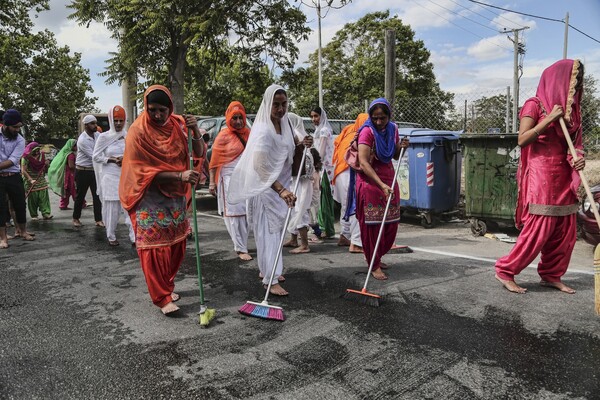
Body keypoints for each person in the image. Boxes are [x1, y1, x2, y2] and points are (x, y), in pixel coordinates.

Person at [495, 59, 585, 295]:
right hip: (541, 173)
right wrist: (549, 119)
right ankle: (505, 270)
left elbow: (576, 145)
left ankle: (551, 275)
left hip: (564, 174)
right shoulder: (534, 105)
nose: (574, 90)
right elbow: (522, 139)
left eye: (577, 85)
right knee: (539, 229)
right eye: (572, 83)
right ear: (559, 81)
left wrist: (578, 159)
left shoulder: (572, 113)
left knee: (565, 231)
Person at [120, 85, 205, 315]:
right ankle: (162, 297)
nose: (157, 115)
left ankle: (167, 286)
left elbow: (198, 152)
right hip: (148, 194)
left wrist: (195, 130)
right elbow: (142, 171)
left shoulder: (178, 124)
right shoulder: (138, 132)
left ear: (170, 109)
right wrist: (180, 175)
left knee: (175, 243)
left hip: (175, 193)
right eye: (152, 110)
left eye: (162, 110)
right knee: (154, 246)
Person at [228, 84, 311, 296]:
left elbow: (292, 149)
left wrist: (303, 144)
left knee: (275, 233)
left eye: (284, 104)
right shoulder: (264, 131)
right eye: (276, 105)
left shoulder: (286, 126)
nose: (281, 109)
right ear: (268, 105)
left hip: (282, 188)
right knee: (269, 235)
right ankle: (270, 280)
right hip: (267, 190)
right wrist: (280, 190)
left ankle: (269, 270)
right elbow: (259, 165)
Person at [352, 99, 408, 280]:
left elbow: (395, 154)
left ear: (389, 116)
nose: (378, 122)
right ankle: (373, 264)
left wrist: (402, 147)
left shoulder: (393, 129)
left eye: (382, 118)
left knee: (390, 225)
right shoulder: (367, 132)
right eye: (375, 118)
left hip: (389, 181)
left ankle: (378, 255)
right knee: (373, 227)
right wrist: (380, 185)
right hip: (371, 183)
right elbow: (363, 163)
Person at [208, 101, 252, 260]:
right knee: (234, 214)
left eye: (241, 117)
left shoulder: (249, 133)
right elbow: (214, 162)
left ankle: (243, 244)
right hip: (228, 179)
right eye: (235, 118)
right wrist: (212, 182)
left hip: (246, 179)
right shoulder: (223, 136)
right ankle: (240, 247)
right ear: (228, 118)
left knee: (247, 213)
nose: (239, 121)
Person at [93, 105, 135, 246]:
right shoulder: (104, 137)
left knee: (129, 208)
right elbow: (96, 156)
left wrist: (125, 159)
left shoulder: (127, 136)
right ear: (111, 120)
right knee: (112, 208)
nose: (118, 123)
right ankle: (111, 236)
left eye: (121, 120)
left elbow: (134, 155)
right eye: (115, 120)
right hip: (110, 176)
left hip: (126, 176)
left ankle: (134, 237)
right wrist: (111, 159)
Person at [332, 113, 368, 253]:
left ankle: (345, 235)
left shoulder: (348, 129)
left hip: (340, 170)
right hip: (349, 172)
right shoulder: (362, 134)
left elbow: (336, 145)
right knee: (356, 205)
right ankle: (356, 242)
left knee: (346, 206)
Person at [0, 109, 35, 248]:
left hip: (14, 176)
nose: (17, 129)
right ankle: (3, 238)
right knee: (0, 207)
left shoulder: (20, 139)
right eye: (15, 127)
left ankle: (23, 231)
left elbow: (13, 160)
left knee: (20, 204)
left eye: (19, 127)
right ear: (5, 125)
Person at [283, 112, 316, 254]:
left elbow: (305, 160)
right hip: (295, 178)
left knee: (299, 209)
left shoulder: (297, 135)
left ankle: (304, 244)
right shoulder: (295, 133)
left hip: (300, 180)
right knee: (293, 208)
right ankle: (293, 239)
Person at [73, 115, 103, 227]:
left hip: (94, 170)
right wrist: (109, 159)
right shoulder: (82, 140)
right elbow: (94, 156)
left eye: (96, 123)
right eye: (92, 123)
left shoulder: (98, 135)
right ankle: (76, 218)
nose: (95, 125)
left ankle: (98, 220)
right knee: (80, 196)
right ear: (86, 125)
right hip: (83, 171)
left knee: (97, 195)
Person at [311, 106, 336, 238]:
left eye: (316, 116)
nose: (314, 119)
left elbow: (320, 152)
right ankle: (324, 227)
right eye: (312, 116)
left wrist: (316, 168)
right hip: (322, 168)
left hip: (325, 169)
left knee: (325, 199)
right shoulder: (318, 131)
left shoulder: (324, 131)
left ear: (322, 116)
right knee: (321, 199)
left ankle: (328, 229)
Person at [21, 142, 52, 220]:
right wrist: (30, 179)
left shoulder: (42, 156)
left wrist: (47, 164)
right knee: (33, 198)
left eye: (38, 150)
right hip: (30, 179)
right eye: (35, 150)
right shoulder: (25, 158)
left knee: (44, 196)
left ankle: (46, 213)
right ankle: (34, 215)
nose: (37, 152)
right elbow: (23, 170)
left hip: (40, 179)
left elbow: (46, 168)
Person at [48, 139, 77, 210]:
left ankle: (63, 205)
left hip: (65, 174)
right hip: (70, 175)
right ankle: (80, 203)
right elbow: (71, 166)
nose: (77, 147)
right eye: (76, 145)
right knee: (74, 189)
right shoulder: (70, 155)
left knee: (66, 190)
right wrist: (78, 168)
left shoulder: (64, 152)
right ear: (72, 146)